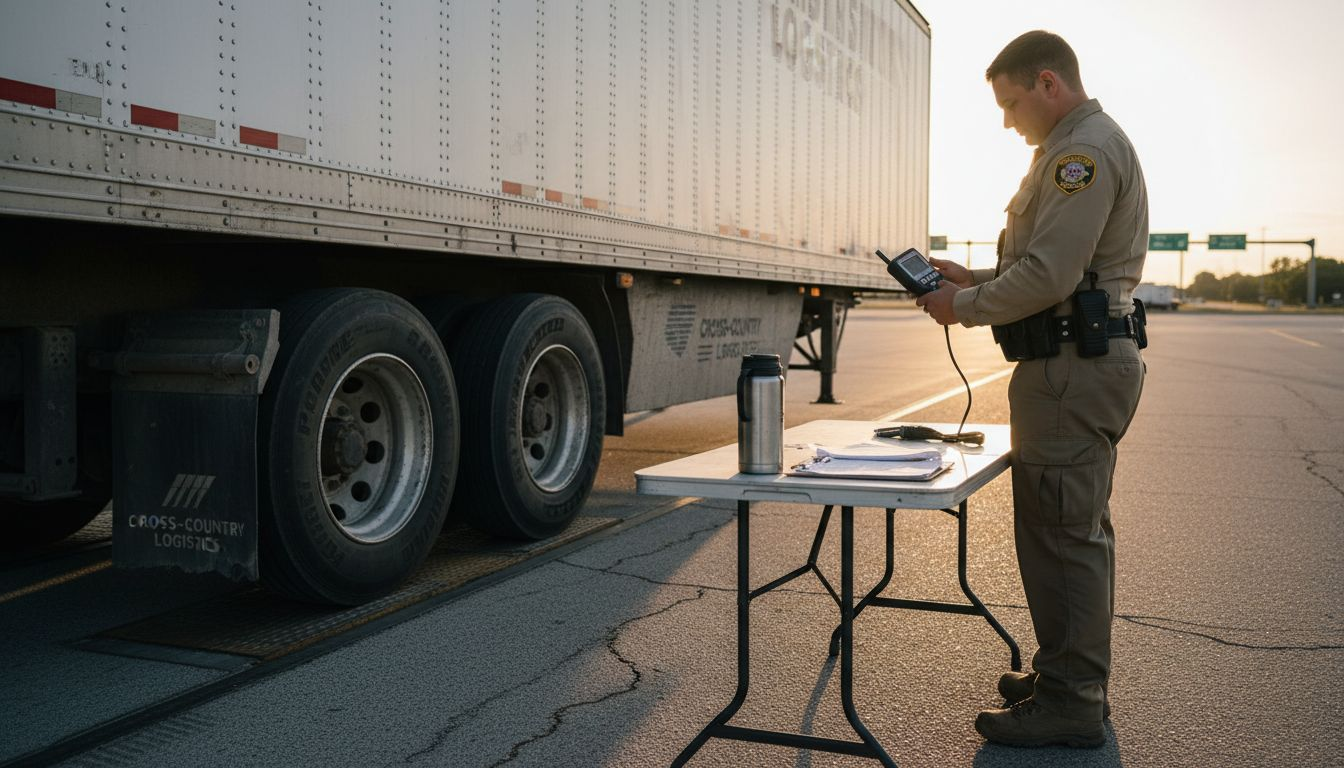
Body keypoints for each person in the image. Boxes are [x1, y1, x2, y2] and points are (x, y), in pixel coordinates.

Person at [915, 30, 1148, 748]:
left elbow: (1048, 280)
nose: (1008, 121)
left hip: (1073, 372)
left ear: (1049, 83)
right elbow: (1057, 271)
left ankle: (1074, 701)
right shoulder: (1073, 148)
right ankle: (1067, 675)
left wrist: (964, 308)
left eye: (1013, 103)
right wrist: (973, 280)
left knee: (1062, 533)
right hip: (1074, 367)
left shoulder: (1082, 153)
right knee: (1065, 531)